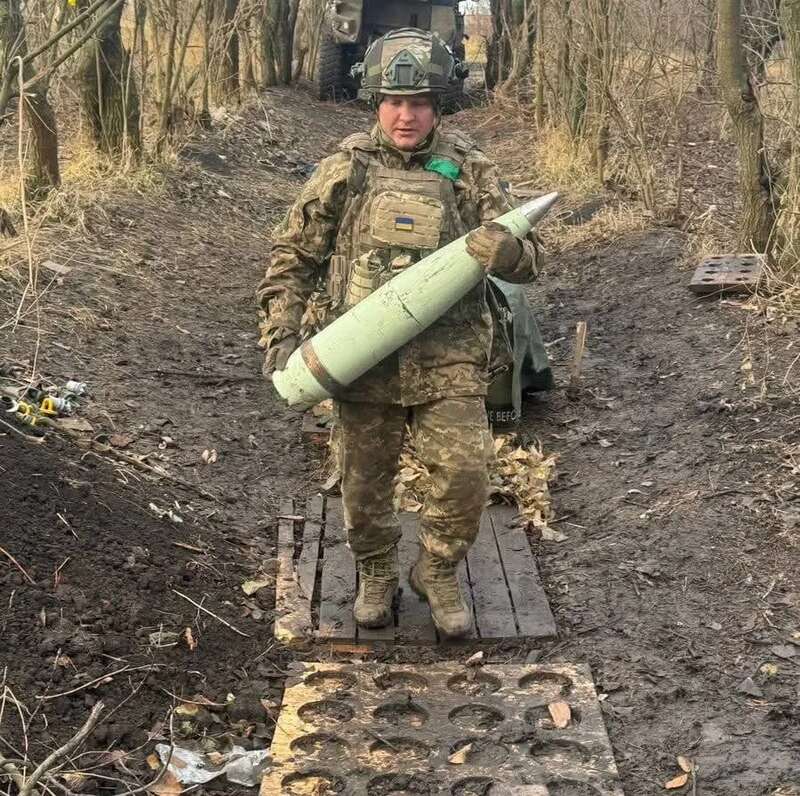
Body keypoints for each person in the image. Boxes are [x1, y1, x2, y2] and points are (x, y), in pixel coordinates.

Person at [257, 28, 541, 638]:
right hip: (364, 360)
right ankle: (377, 568)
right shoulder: (344, 170)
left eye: (419, 103)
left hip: (453, 357)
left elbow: (531, 262)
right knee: (362, 487)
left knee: (467, 478)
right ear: (375, 102)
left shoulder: (471, 170)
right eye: (393, 101)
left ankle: (436, 570)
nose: (406, 115)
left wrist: (509, 251)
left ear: (438, 105)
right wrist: (282, 334)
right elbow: (293, 257)